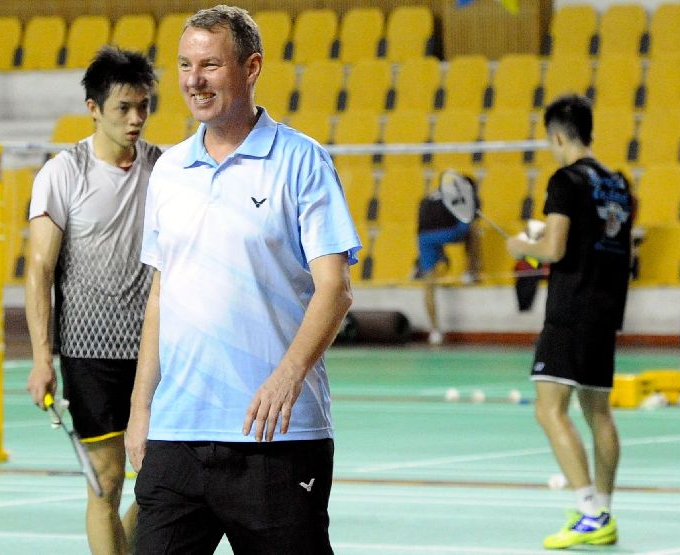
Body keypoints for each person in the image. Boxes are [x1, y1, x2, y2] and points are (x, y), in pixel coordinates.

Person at [125, 6, 361, 554]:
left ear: (251, 67)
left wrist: (288, 376)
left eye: (210, 65)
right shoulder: (169, 171)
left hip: (276, 438)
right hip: (177, 436)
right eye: (185, 65)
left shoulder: (302, 161)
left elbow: (336, 288)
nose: (193, 80)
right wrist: (142, 410)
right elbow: (162, 294)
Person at [25, 46, 162, 554]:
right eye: (123, 108)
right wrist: (42, 360)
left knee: (163, 483)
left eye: (143, 107)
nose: (135, 119)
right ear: (94, 108)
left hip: (156, 349)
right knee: (106, 483)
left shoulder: (165, 171)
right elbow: (39, 271)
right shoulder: (63, 173)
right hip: (90, 352)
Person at [505, 94, 634, 550]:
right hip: (605, 311)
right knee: (598, 411)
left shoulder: (565, 179)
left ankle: (589, 511)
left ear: (557, 135)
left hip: (570, 311)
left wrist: (523, 246)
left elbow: (555, 249)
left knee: (549, 409)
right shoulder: (618, 183)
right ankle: (603, 509)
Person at [415, 170, 480, 345]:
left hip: (425, 238)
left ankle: (435, 331)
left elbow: (423, 226)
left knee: (428, 285)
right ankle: (471, 271)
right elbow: (468, 221)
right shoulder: (468, 194)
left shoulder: (428, 198)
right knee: (473, 231)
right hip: (450, 232)